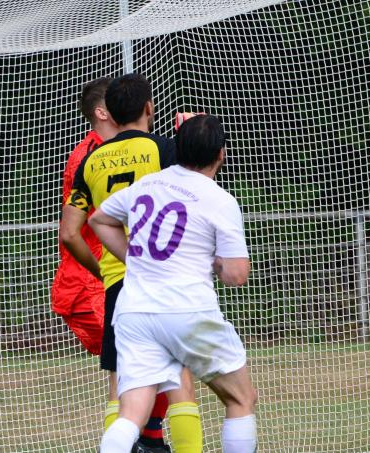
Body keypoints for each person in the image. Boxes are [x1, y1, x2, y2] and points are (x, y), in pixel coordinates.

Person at [92, 115, 258, 453]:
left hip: (135, 312)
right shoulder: (219, 200)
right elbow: (237, 275)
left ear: (177, 147)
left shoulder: (147, 185)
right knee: (241, 397)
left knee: (131, 413)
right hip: (186, 309)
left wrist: (136, 260)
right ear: (221, 154)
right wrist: (216, 263)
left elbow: (100, 219)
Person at [61, 73, 202, 451]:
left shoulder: (90, 161)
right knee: (179, 380)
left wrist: (104, 270)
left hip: (119, 286)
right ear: (148, 108)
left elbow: (70, 232)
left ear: (112, 113)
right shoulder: (162, 149)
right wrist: (193, 136)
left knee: (121, 382)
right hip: (164, 278)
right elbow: (199, 185)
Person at [53, 77, 115, 357]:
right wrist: (103, 276)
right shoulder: (88, 157)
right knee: (139, 365)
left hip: (103, 283)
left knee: (142, 370)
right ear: (102, 112)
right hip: (90, 288)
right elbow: (70, 232)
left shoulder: (120, 150)